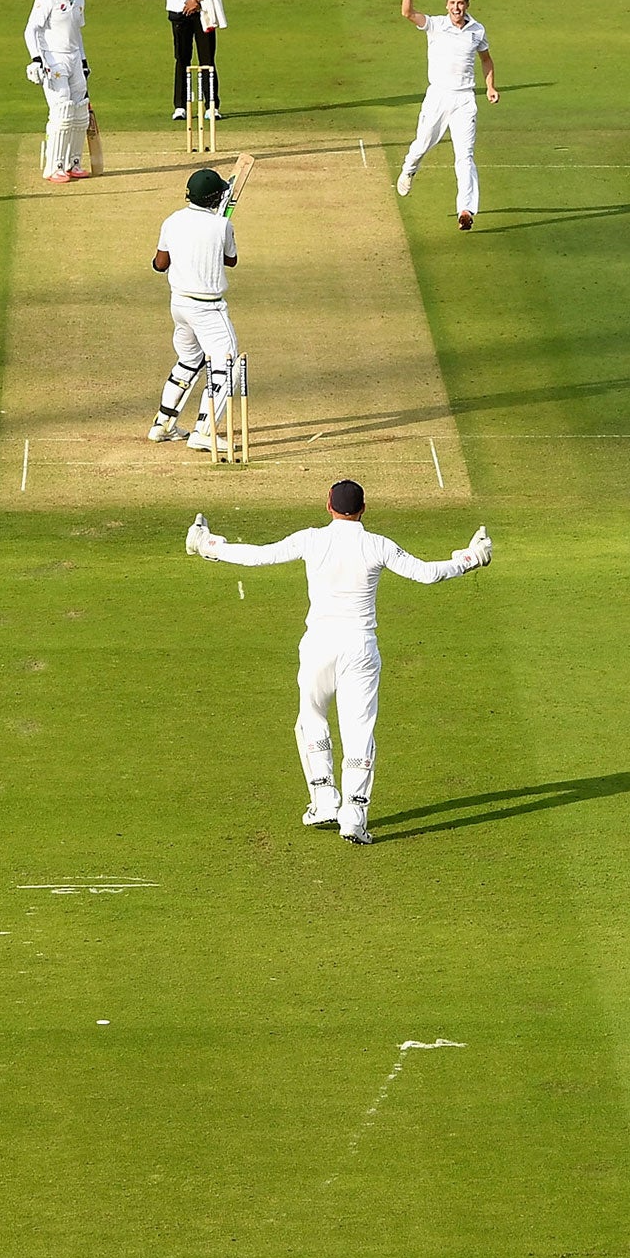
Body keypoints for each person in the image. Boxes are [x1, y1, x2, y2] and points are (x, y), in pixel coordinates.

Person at [185, 483, 491, 844]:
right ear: (364, 509)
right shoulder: (377, 544)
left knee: (311, 718)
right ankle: (354, 818)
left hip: (319, 645)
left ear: (328, 505)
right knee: (359, 733)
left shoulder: (312, 539)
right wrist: (473, 557)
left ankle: (325, 799)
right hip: (360, 649)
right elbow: (426, 573)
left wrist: (207, 545)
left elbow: (258, 555)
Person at [396, 0, 497, 231]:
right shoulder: (436, 25)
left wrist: (490, 87)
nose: (456, 7)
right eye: (452, 3)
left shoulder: (477, 30)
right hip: (438, 96)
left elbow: (486, 60)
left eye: (460, 3)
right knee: (422, 144)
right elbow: (407, 13)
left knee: (465, 155)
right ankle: (408, 169)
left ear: (467, 5)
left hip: (464, 100)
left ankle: (465, 210)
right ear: (446, 5)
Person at [149, 168, 239, 450]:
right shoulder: (221, 225)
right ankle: (205, 431)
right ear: (214, 198)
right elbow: (231, 260)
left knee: (190, 360)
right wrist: (220, 227)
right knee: (230, 365)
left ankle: (163, 425)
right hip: (208, 308)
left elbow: (160, 264)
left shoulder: (172, 221)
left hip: (179, 305)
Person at [24, 0, 91, 184]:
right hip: (53, 59)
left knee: (80, 113)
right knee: (62, 111)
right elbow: (30, 30)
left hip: (73, 59)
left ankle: (74, 162)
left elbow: (77, 33)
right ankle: (54, 167)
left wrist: (83, 60)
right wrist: (36, 60)